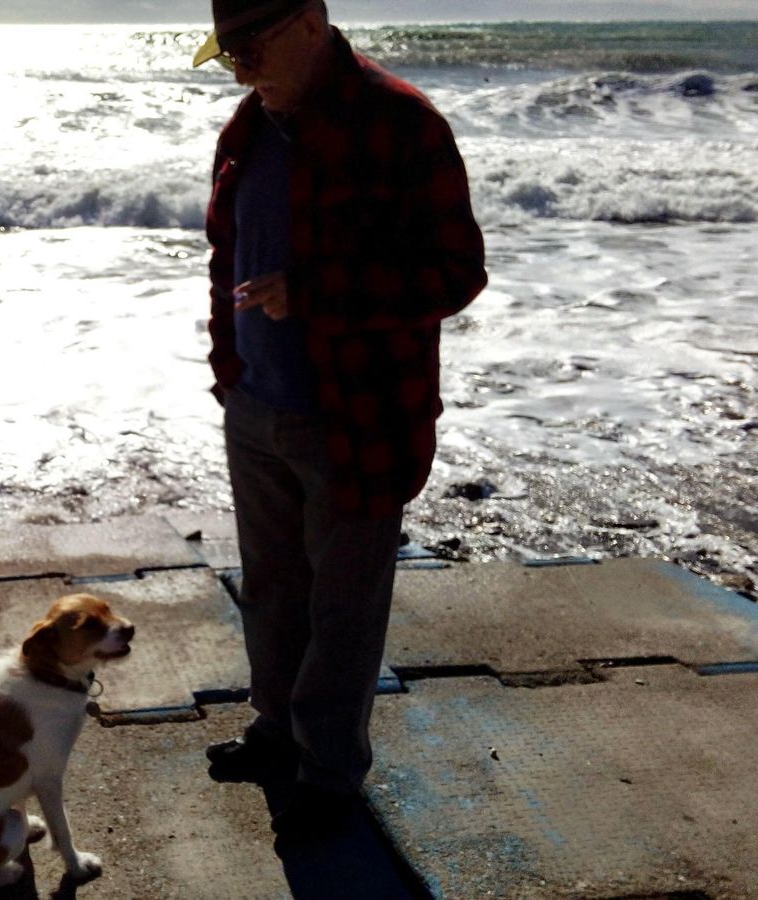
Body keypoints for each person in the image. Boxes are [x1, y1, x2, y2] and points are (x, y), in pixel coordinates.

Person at [192, 0, 487, 842]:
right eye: (229, 54)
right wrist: (229, 368)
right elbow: (226, 256)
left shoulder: (398, 123)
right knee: (272, 585)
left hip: (356, 412)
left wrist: (318, 296)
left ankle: (328, 773)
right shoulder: (247, 127)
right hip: (256, 405)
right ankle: (278, 733)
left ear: (312, 21)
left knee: (346, 606)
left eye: (253, 46)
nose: (243, 68)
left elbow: (457, 272)